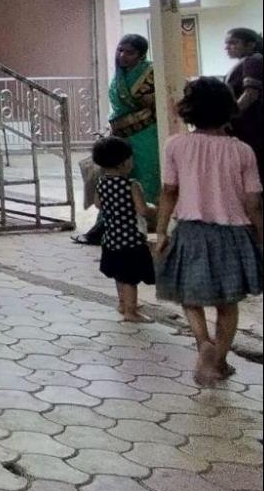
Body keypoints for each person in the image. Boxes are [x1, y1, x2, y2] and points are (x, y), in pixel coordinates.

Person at [155, 75, 263, 386]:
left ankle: (203, 342)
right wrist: (261, 236)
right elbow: (253, 202)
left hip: (191, 231)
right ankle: (219, 360)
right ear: (229, 108)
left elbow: (168, 190)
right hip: (233, 233)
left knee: (191, 294)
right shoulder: (242, 151)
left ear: (188, 109)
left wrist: (161, 231)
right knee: (228, 302)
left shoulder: (175, 145)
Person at [90, 133, 156, 323]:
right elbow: (142, 210)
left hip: (111, 238)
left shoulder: (102, 184)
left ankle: (122, 303)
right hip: (131, 239)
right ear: (123, 163)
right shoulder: (131, 185)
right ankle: (131, 311)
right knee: (130, 277)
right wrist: (155, 209)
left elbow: (98, 205)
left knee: (119, 274)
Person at [108, 33, 161, 205]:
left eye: (129, 52)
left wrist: (152, 99)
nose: (122, 55)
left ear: (141, 55)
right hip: (122, 134)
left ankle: (149, 214)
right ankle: (124, 214)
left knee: (146, 171)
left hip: (147, 133)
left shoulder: (152, 72)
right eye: (120, 50)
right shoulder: (119, 75)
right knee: (120, 174)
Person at [225, 27, 263, 185]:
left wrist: (227, 117)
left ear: (251, 44)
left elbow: (250, 94)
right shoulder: (248, 61)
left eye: (234, 43)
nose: (228, 47)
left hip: (250, 127)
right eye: (227, 44)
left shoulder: (253, 60)